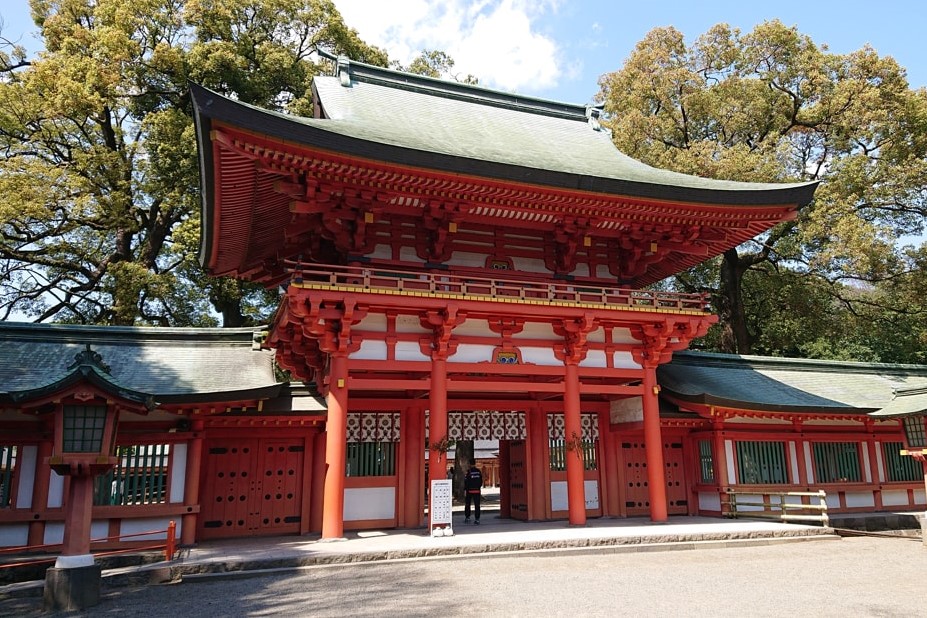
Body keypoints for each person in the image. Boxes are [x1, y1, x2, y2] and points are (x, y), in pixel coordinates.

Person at [463, 460, 483, 524]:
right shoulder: (478, 471)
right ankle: (477, 519)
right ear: (475, 463)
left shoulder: (468, 471)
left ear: (469, 464)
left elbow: (466, 481)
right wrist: (478, 487)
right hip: (477, 490)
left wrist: (465, 489)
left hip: (469, 491)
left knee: (467, 504)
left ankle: (467, 517)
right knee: (477, 505)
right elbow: (481, 481)